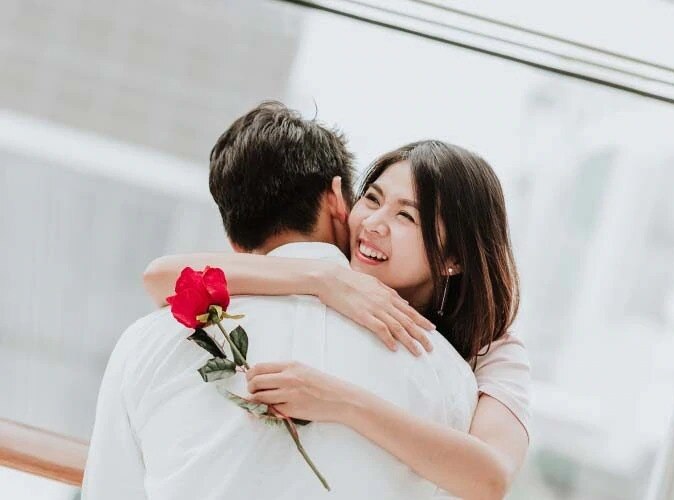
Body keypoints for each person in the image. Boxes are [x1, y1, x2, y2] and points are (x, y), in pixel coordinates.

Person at [83, 102, 480, 500]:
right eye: (373, 200)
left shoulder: (149, 340)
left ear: (234, 241)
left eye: (406, 217)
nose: (375, 223)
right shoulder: (444, 372)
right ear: (339, 198)